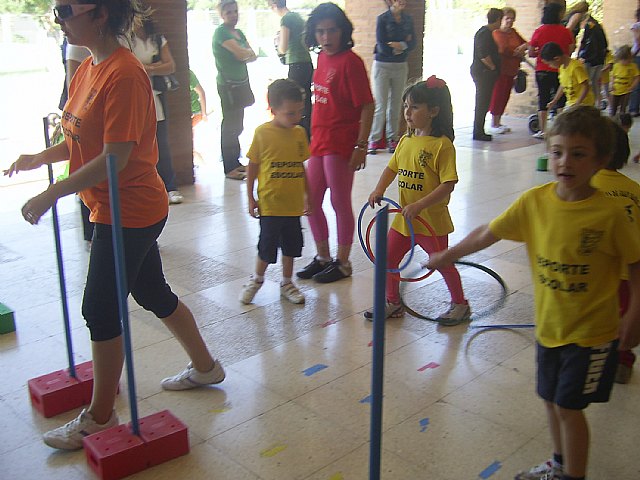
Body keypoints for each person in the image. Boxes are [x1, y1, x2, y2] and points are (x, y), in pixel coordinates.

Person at [4, 0, 225, 450]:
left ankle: (100, 417)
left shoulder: (124, 74)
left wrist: (52, 193)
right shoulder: (90, 66)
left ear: (100, 14)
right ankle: (207, 368)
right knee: (151, 293)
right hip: (113, 204)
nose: (58, 19)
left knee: (99, 309)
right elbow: (80, 139)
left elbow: (114, 157)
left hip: (130, 210)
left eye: (65, 10)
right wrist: (38, 159)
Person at [426, 106, 640, 480]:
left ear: (600, 161)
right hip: (550, 328)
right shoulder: (535, 202)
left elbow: (637, 268)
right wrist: (448, 254)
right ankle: (558, 465)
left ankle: (573, 475)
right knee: (550, 401)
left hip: (592, 335)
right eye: (557, 152)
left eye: (578, 154)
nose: (564, 162)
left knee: (569, 408)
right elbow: (487, 232)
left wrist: (633, 316)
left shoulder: (609, 214)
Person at [365, 77, 470, 325]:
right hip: (404, 220)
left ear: (433, 111)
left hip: (431, 222)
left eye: (414, 107)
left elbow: (448, 184)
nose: (407, 113)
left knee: (442, 263)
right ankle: (393, 302)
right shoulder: (406, 141)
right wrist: (378, 189)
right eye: (405, 107)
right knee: (386, 259)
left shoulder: (442, 146)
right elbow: (392, 168)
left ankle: (460, 305)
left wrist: (420, 205)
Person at [296, 2, 374, 284]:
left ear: (343, 32)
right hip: (319, 140)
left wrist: (361, 145)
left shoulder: (351, 62)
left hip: (341, 143)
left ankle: (343, 262)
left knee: (339, 202)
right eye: (320, 32)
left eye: (331, 31)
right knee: (311, 201)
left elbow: (367, 105)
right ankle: (323, 257)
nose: (326, 38)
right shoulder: (322, 59)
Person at [240, 79, 310, 305]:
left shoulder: (299, 133)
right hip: (270, 204)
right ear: (273, 110)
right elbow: (253, 166)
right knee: (267, 245)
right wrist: (251, 197)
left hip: (292, 204)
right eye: (290, 113)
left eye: (300, 112)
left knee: (291, 245)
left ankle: (287, 282)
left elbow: (301, 166)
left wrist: (307, 195)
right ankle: (257, 278)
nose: (297, 117)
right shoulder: (262, 133)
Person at [591, 119, 637, 385]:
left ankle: (597, 357)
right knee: (624, 316)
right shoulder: (634, 189)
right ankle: (623, 361)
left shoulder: (589, 186)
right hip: (629, 271)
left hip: (600, 271)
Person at [129, 15, 184, 204]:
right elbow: (130, 68)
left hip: (156, 95)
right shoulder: (125, 39)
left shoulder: (157, 39)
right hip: (134, 96)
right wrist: (156, 66)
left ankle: (170, 187)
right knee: (137, 145)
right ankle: (145, 188)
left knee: (161, 142)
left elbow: (170, 65)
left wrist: (148, 68)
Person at [212, 0, 257, 181]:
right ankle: (229, 166)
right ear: (222, 15)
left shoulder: (238, 32)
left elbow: (253, 55)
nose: (233, 15)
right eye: (229, 12)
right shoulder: (221, 32)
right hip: (228, 85)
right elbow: (242, 54)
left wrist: (245, 53)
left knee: (238, 124)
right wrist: (245, 53)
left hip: (241, 84)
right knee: (230, 125)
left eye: (235, 11)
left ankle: (236, 162)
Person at [367, 0, 416, 154]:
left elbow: (413, 42)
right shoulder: (382, 19)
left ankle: (392, 139)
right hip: (382, 65)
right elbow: (381, 44)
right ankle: (374, 140)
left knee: (396, 104)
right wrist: (402, 46)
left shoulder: (408, 19)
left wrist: (398, 45)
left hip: (400, 66)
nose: (402, 2)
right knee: (381, 105)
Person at [529, 2, 575, 139]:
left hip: (542, 69)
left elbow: (531, 52)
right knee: (561, 99)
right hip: (560, 69)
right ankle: (561, 129)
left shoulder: (539, 31)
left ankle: (543, 130)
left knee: (542, 99)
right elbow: (571, 49)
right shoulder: (565, 31)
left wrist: (540, 54)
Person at [269, 0, 313, 140]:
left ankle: (300, 136)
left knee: (294, 100)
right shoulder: (297, 16)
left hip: (296, 63)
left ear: (274, 6)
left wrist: (277, 42)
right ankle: (307, 135)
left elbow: (283, 47)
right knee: (305, 100)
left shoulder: (286, 19)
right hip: (306, 62)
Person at [488, 7, 528, 135]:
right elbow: (503, 49)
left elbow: (526, 43)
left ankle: (499, 121)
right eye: (507, 18)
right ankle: (493, 123)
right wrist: (516, 52)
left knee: (505, 95)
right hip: (501, 70)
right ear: (501, 19)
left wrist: (521, 48)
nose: (510, 21)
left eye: (512, 18)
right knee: (498, 96)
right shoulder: (497, 33)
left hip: (512, 70)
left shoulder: (513, 32)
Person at [470, 8, 503, 141]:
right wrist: (492, 67)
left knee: (484, 101)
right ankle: (478, 131)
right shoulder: (484, 33)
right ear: (496, 19)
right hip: (483, 73)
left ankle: (480, 129)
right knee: (482, 102)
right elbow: (483, 53)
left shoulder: (489, 33)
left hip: (486, 72)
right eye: (500, 19)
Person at [540, 41, 595, 110]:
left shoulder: (575, 67)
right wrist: (555, 100)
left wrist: (578, 103)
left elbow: (586, 86)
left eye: (550, 64)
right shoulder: (562, 67)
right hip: (571, 103)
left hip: (584, 103)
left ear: (557, 58)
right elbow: (563, 85)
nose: (550, 66)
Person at [576, 7, 608, 108]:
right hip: (599, 59)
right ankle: (596, 105)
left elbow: (586, 41)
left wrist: (581, 54)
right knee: (595, 83)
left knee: (587, 82)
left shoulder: (589, 26)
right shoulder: (598, 25)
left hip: (590, 59)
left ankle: (588, 104)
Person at [609, 45, 640, 118]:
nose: (623, 62)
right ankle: (612, 119)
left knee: (623, 108)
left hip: (626, 90)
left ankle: (621, 119)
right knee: (613, 107)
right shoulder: (616, 65)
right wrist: (612, 84)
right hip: (616, 90)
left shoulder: (633, 66)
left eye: (625, 60)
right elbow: (613, 76)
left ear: (629, 58)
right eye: (621, 60)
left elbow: (637, 77)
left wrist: (632, 86)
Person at [629, 19, 640, 117]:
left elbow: (638, 40)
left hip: (638, 56)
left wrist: (632, 55)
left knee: (636, 82)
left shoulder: (637, 25)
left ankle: (633, 108)